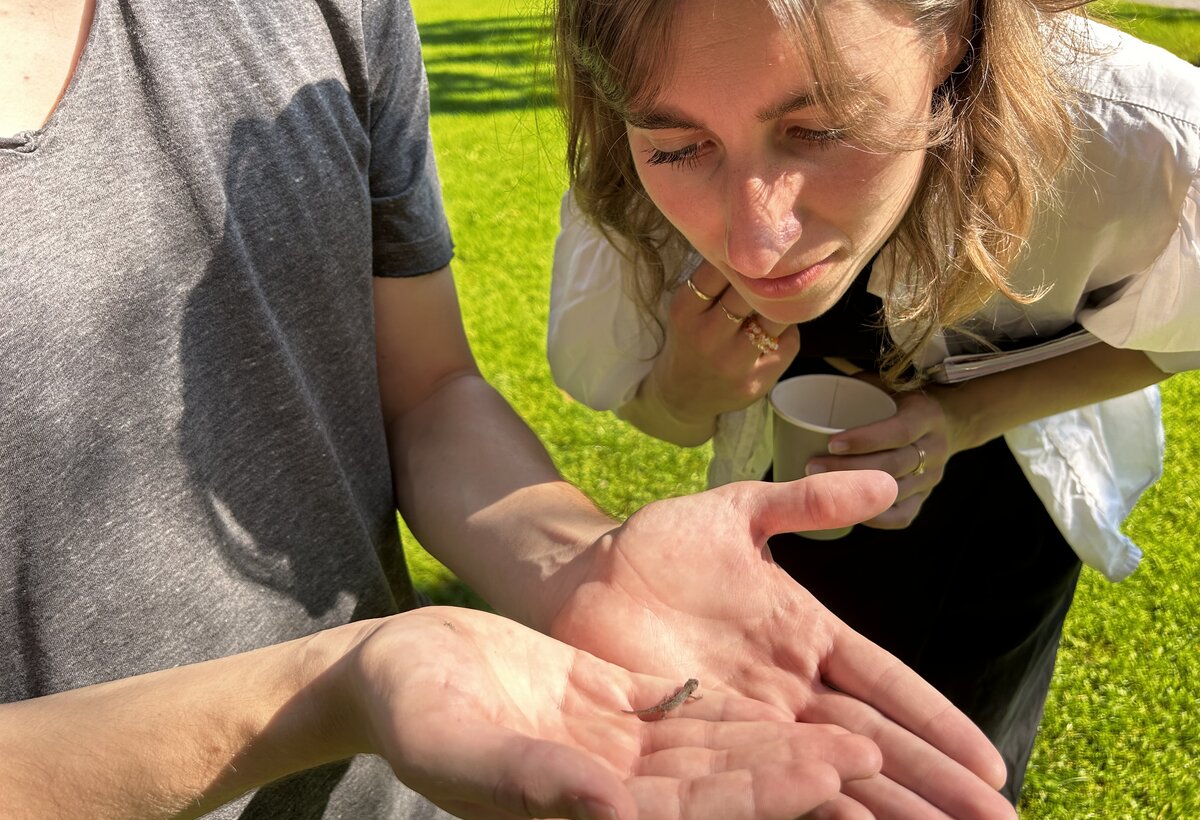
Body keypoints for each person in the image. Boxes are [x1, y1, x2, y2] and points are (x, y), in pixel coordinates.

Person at [0, 1, 1019, 818]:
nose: (756, 242)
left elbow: (426, 388)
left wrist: (584, 567)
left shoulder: (333, 13)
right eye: (674, 145)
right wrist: (328, 690)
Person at [548, 0, 1200, 804]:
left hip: (1003, 504)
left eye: (821, 131)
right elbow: (659, 414)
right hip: (770, 520)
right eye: (680, 148)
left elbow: (1179, 331)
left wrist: (965, 416)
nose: (757, 244)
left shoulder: (1138, 141)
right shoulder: (624, 172)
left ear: (956, 32)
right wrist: (692, 379)